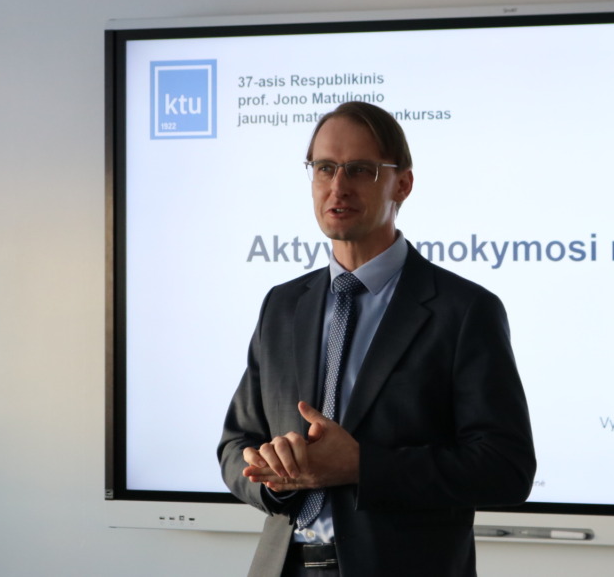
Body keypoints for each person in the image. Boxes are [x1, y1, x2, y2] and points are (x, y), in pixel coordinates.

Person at [218, 101, 535, 577]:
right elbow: (235, 444)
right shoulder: (283, 305)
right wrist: (272, 476)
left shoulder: (464, 310)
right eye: (324, 168)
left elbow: (505, 468)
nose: (338, 187)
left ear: (402, 184)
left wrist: (362, 466)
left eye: (360, 170)